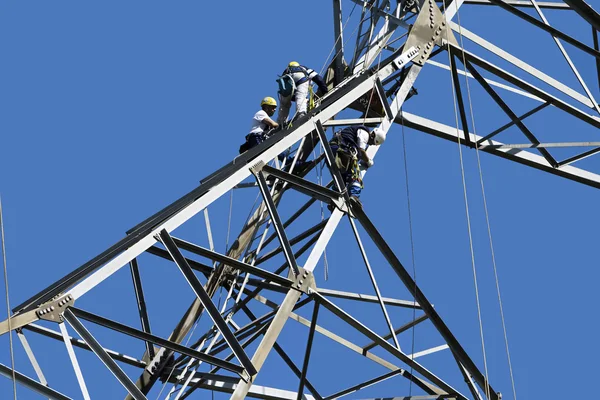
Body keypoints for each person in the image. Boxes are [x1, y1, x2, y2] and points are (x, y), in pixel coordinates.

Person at [329, 125, 386, 203]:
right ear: (372, 135)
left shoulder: (356, 134)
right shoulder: (364, 133)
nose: (371, 144)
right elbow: (361, 150)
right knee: (356, 176)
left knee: (341, 180)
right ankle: (354, 196)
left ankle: (335, 199)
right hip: (342, 152)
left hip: (334, 152)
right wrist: (368, 161)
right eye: (373, 142)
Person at [277, 61, 328, 125]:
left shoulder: (286, 71)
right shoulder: (303, 68)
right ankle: (301, 114)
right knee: (301, 97)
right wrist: (324, 89)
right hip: (300, 77)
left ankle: (280, 123)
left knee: (284, 104)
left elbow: (291, 96)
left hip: (286, 82)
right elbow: (318, 78)